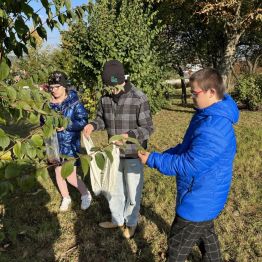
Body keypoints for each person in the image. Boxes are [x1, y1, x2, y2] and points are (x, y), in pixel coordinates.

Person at [138, 68, 239, 261]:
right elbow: (188, 148)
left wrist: (152, 160)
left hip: (199, 198)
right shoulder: (207, 114)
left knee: (176, 246)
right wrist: (157, 156)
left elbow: (189, 164)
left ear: (211, 92)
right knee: (206, 235)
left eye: (195, 93)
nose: (192, 96)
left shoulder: (213, 128)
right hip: (206, 195)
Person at [84, 60, 154, 239]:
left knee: (132, 192)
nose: (112, 90)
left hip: (133, 154)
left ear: (122, 80)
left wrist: (128, 135)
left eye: (115, 86)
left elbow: (148, 128)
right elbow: (101, 119)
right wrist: (92, 125)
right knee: (114, 190)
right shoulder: (105, 98)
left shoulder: (138, 97)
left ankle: (131, 222)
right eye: (109, 86)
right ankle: (117, 219)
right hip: (112, 155)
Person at [47, 71, 92, 212]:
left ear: (64, 87)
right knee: (58, 173)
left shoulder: (74, 102)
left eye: (57, 87)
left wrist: (67, 125)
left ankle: (85, 194)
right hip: (53, 145)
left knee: (71, 176)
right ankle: (66, 197)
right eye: (51, 87)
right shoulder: (48, 104)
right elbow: (42, 121)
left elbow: (83, 121)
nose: (54, 90)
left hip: (69, 145)